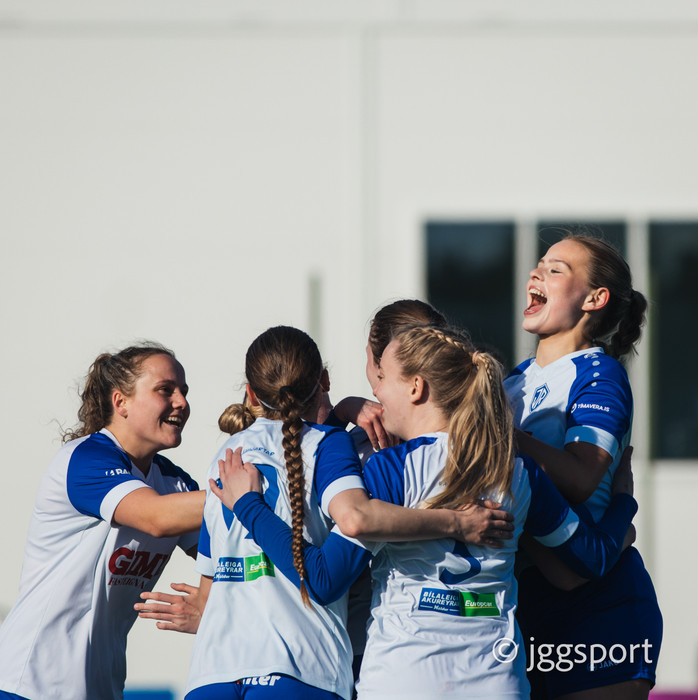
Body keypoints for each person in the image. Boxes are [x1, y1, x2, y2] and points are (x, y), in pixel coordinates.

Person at [216, 324, 639, 699]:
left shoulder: (390, 470)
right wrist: (623, 503)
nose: (375, 392)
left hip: (403, 677)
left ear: (416, 388)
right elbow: (594, 556)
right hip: (497, 680)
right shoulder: (519, 471)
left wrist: (250, 506)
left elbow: (322, 577)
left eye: (382, 377)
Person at [184, 325, 525, 700]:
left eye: (381, 377)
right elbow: (325, 573)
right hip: (301, 667)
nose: (375, 390)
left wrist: (342, 412)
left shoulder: (225, 456)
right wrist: (455, 522)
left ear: (251, 393)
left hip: (212, 672)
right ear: (324, 380)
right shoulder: (340, 448)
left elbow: (207, 593)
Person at [503, 233, 662, 699]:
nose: (536, 273)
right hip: (529, 602)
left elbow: (579, 478)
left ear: (595, 299)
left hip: (599, 604)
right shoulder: (515, 379)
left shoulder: (599, 373)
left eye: (556, 269)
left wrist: (496, 437)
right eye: (539, 264)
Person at [0, 343, 204, 700]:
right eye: (165, 390)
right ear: (120, 402)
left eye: (183, 391)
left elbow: (230, 549)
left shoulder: (175, 482)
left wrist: (215, 601)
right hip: (30, 685)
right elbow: (157, 517)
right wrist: (244, 492)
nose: (181, 402)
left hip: (102, 689)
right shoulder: (85, 460)